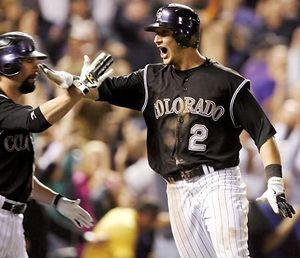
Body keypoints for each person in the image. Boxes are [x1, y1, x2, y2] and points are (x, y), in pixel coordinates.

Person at [44, 3, 296, 258]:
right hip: (176, 188)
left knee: (232, 254)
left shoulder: (227, 81)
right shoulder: (150, 79)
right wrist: (76, 84)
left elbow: (263, 132)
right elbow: (99, 91)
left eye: (163, 32)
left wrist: (274, 179)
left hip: (218, 181)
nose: (156, 39)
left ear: (184, 35)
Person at [0, 31, 99, 258]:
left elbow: (19, 177)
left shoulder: (10, 110)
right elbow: (35, 121)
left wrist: (56, 200)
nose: (36, 66)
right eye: (28, 60)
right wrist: (76, 91)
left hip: (14, 219)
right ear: (7, 63)